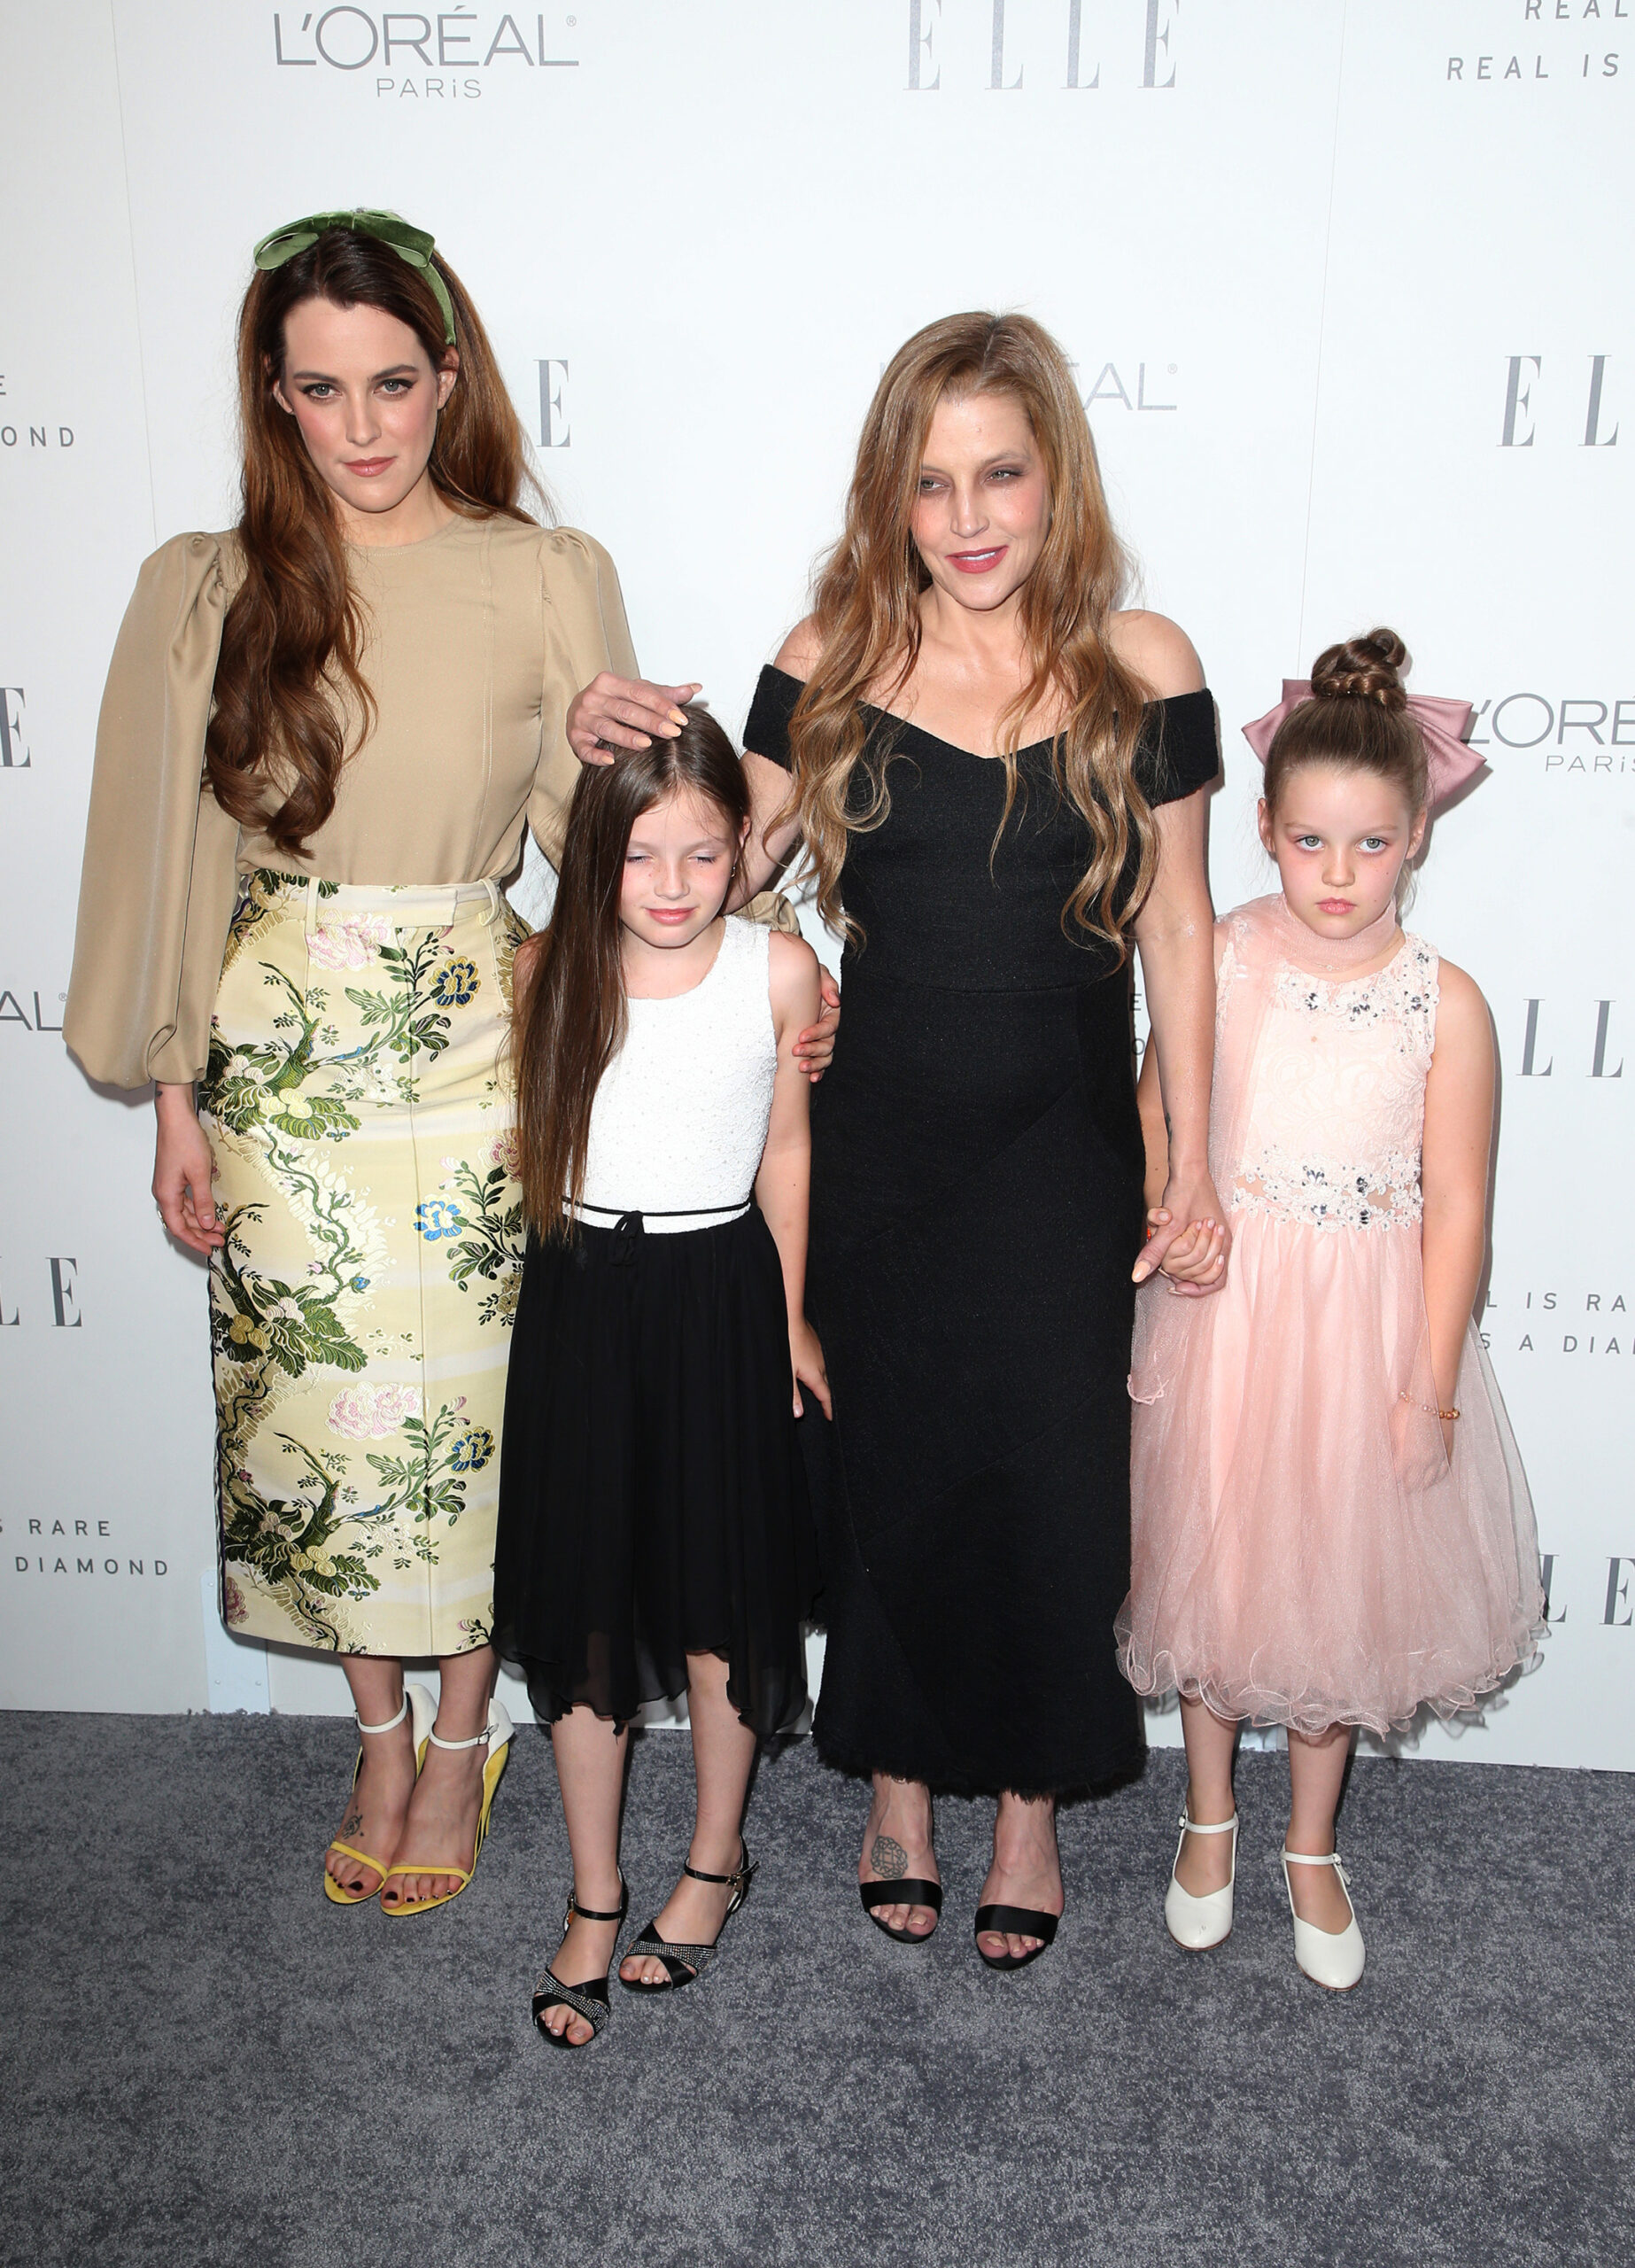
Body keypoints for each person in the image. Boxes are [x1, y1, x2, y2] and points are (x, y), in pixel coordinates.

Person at [63, 211, 832, 1916]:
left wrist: (626, 789)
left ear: (450, 379)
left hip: (482, 1037)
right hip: (278, 1052)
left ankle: (474, 1726)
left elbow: (619, 862)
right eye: (320, 388)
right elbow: (168, 850)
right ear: (272, 395)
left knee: (488, 1414)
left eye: (393, 383)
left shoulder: (549, 576)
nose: (361, 426)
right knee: (316, 1407)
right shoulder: (205, 585)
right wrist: (176, 1095)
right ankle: (380, 1730)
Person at [575, 311, 1225, 1968]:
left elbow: (1182, 933)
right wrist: (602, 770)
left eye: (999, 471)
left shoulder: (1141, 664)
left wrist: (1194, 1159)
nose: (969, 516)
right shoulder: (834, 657)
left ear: (1053, 475)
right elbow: (711, 858)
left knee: (1052, 1481)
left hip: (1061, 1148)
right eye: (930, 483)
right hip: (879, 1149)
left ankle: (1024, 1808)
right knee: (893, 1468)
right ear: (892, 497)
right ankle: (901, 1793)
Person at [1118, 630, 1544, 1991]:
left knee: (1330, 1597)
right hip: (1225, 1317)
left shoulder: (1445, 1003)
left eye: (1368, 846)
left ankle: (1309, 1843)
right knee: (1210, 1569)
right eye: (1309, 845)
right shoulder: (1222, 958)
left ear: (1416, 834)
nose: (1339, 875)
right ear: (1262, 832)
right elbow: (1150, 1112)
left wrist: (1426, 1387)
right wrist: (1164, 1218)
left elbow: (1458, 1209)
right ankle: (1206, 1816)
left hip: (1362, 1336)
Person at [493, 710, 825, 2049]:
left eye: (702, 853)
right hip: (582, 1299)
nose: (675, 884)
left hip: (721, 1300)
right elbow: (530, 1134)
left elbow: (788, 1155)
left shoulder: (782, 972)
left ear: (743, 852)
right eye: (643, 857)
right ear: (595, 859)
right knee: (582, 1616)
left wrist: (792, 1322)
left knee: (717, 1607)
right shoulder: (544, 969)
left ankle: (711, 1864)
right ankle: (592, 1892)